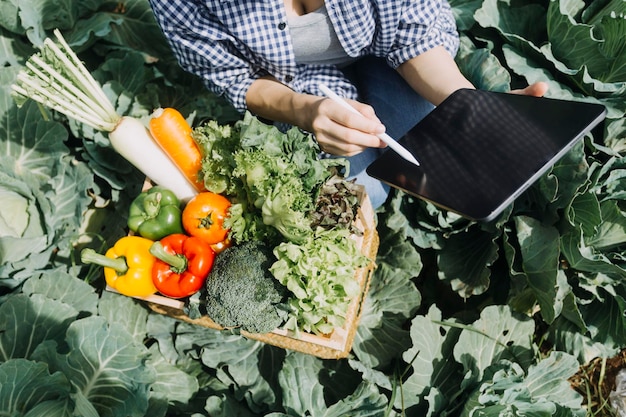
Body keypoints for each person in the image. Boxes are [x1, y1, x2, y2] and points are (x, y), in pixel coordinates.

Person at [148, 0, 548, 209]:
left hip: (388, 52)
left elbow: (413, 26)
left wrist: (467, 105)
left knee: (424, 144)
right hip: (294, 83)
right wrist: (305, 110)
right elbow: (236, 78)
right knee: (365, 193)